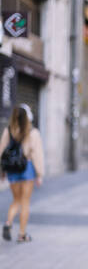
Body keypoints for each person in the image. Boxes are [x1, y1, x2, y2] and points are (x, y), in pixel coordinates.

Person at [1, 104, 44, 243]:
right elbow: (37, 155)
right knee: (24, 202)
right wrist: (40, 174)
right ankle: (22, 234)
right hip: (27, 169)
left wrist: (2, 171)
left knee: (16, 200)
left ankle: (8, 222)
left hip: (12, 169)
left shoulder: (8, 131)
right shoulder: (33, 132)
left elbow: (2, 152)